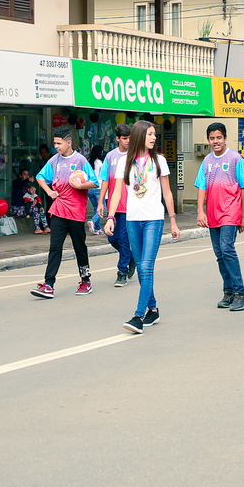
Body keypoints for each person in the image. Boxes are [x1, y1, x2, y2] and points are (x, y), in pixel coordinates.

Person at [104, 120, 180, 334]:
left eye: (155, 134)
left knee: (146, 267)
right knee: (141, 267)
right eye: (150, 134)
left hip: (153, 219)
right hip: (132, 219)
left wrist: (173, 220)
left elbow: (167, 193)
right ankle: (153, 310)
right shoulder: (125, 162)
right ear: (140, 136)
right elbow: (116, 192)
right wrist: (111, 217)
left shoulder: (159, 160)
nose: (154, 138)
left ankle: (138, 316)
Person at [31, 125, 98, 299]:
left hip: (76, 212)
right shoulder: (54, 160)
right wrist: (49, 192)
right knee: (55, 247)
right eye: (55, 143)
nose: (56, 147)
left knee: (79, 247)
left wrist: (80, 186)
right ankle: (49, 284)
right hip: (58, 210)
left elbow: (95, 182)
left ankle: (85, 280)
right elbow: (40, 177)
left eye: (59, 143)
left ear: (69, 142)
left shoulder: (81, 160)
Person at [195, 122, 244, 312]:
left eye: (219, 137)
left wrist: (243, 216)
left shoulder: (236, 159)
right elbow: (202, 187)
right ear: (208, 140)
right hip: (213, 214)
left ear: (225, 138)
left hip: (231, 212)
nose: (216, 141)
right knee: (220, 254)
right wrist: (200, 211)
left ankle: (240, 293)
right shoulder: (207, 161)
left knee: (227, 249)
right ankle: (228, 292)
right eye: (212, 138)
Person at [96, 127, 135, 286]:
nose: (128, 141)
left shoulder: (135, 156)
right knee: (113, 238)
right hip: (113, 205)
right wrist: (100, 201)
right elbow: (105, 179)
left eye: (130, 138)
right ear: (118, 139)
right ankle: (131, 257)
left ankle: (122, 272)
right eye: (125, 138)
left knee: (124, 239)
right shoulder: (110, 156)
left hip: (130, 205)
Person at [87, 144, 106, 234]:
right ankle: (93, 221)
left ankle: (98, 229)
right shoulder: (100, 163)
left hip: (90, 188)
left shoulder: (89, 164)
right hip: (99, 188)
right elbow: (103, 176)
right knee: (101, 208)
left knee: (96, 208)